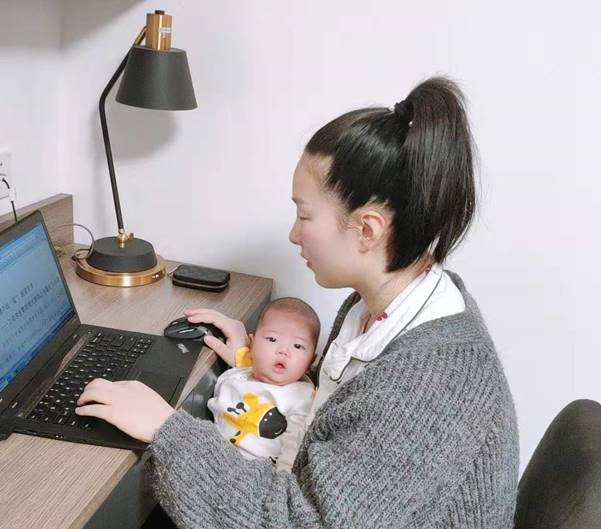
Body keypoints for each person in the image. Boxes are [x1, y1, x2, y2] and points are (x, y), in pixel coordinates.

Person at [75, 76, 520, 528]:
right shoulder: (379, 308)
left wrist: (165, 430)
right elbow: (343, 416)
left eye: (304, 215)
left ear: (367, 230)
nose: (293, 234)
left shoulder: (429, 383)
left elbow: (298, 521)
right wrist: (252, 358)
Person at [186, 297, 319, 472]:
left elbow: (294, 449)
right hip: (210, 454)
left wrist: (283, 475)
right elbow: (246, 361)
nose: (283, 350)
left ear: (311, 362)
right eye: (272, 339)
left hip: (253, 474)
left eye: (297, 346)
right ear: (252, 343)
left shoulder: (301, 397)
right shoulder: (242, 371)